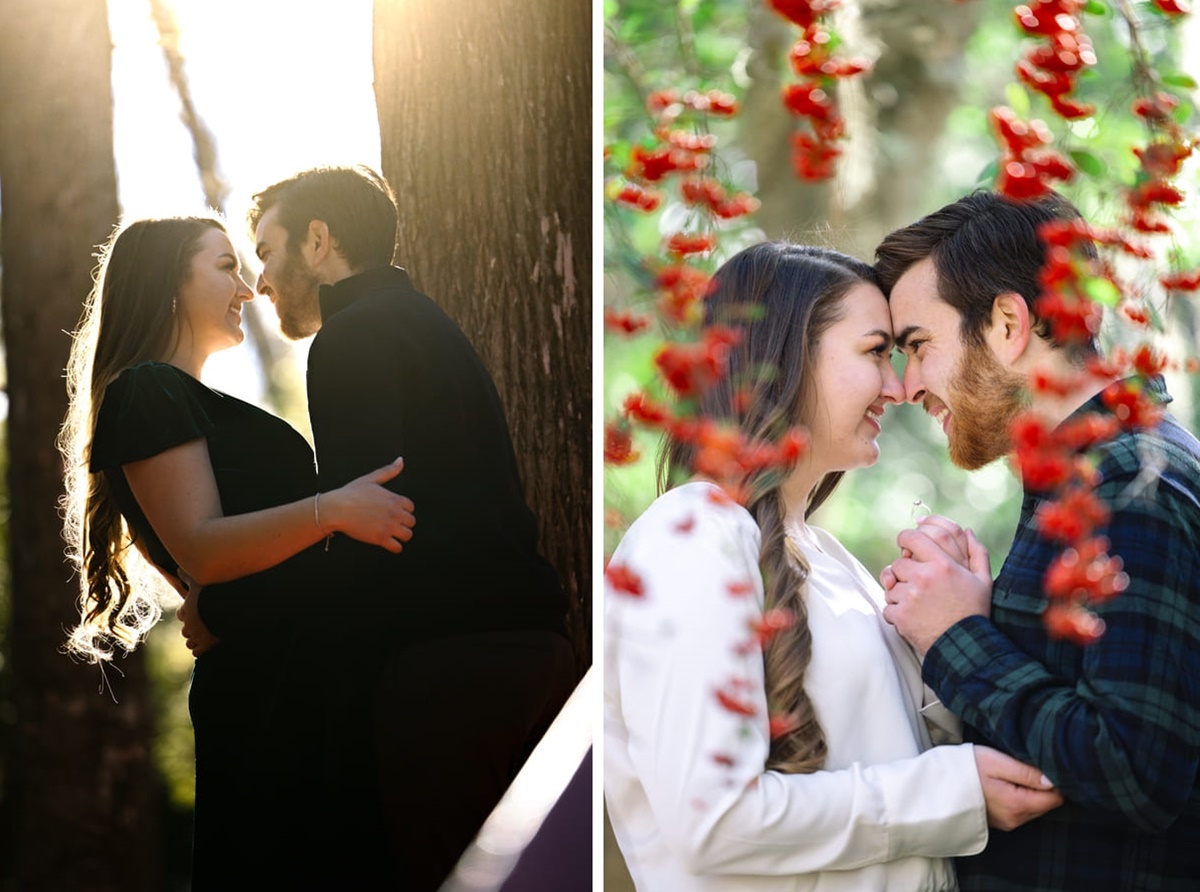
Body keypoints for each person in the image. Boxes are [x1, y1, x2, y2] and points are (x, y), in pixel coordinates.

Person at [603, 241, 1063, 891]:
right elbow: (713, 822)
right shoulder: (691, 537)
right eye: (876, 352)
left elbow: (887, 760)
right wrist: (951, 793)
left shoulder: (828, 557)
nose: (901, 386)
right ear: (790, 354)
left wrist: (954, 625)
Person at [192, 165, 577, 888]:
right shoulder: (425, 324)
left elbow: (364, 541)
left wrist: (225, 609)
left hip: (450, 674)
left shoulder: (354, 339)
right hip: (536, 654)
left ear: (317, 240)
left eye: (269, 252)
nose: (263, 281)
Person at [58, 215, 418, 889]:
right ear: (169, 281)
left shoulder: (186, 399)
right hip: (268, 699)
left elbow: (211, 583)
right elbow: (200, 549)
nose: (249, 288)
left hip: (301, 683)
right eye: (225, 266)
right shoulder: (147, 388)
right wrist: (333, 509)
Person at [874, 189, 1200, 891]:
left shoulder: (1130, 484)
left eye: (919, 347)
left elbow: (1132, 773)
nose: (905, 386)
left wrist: (956, 634)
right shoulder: (1087, 475)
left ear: (1007, 323)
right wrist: (988, 619)